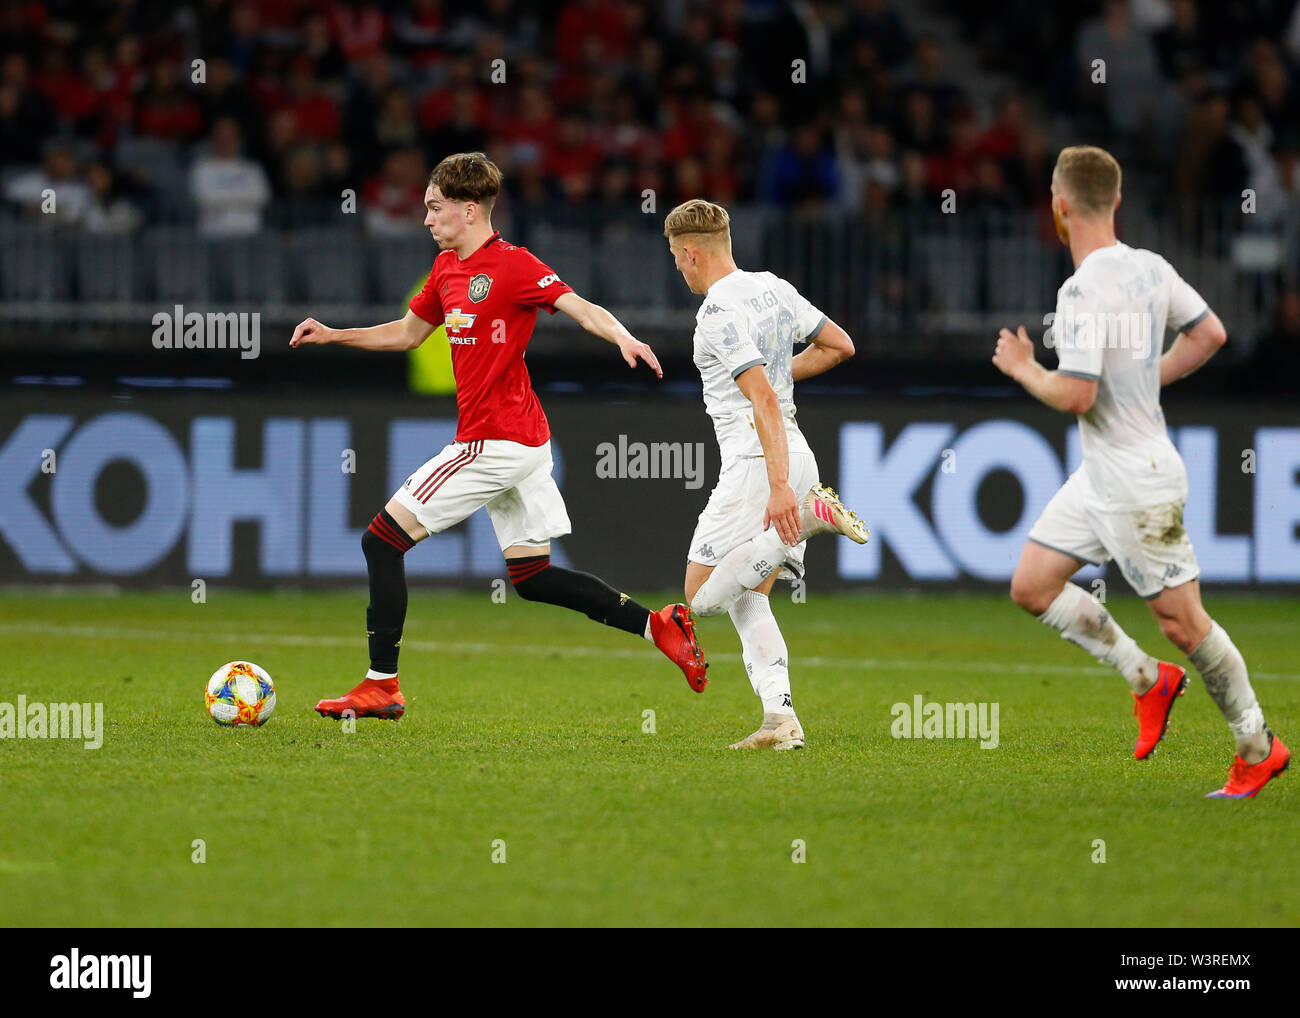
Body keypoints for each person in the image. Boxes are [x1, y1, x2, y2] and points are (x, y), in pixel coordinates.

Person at [291, 151, 707, 720]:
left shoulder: (511, 266)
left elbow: (577, 305)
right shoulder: (444, 271)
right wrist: (335, 335)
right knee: (533, 576)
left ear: (469, 210)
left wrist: (624, 339)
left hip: (495, 441)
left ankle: (381, 685)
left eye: (435, 208)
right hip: (524, 444)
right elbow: (408, 334)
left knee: (381, 541)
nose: (426, 219)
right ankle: (657, 624)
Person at [993, 144, 1288, 798]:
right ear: (1117, 201)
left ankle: (1257, 743)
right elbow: (1210, 333)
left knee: (1186, 624)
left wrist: (1023, 368)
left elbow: (1077, 395)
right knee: (1033, 585)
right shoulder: (1151, 268)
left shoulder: (1079, 291)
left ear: (1059, 205)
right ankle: (1147, 679)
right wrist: (1146, 377)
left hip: (1136, 482)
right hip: (1102, 474)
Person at [664, 199, 867, 750]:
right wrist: (778, 379)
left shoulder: (716, 313)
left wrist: (780, 490)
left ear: (689, 253)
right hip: (797, 454)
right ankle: (781, 721)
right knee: (750, 598)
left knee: (699, 596)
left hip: (760, 463)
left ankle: (809, 519)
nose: (679, 271)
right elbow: (839, 345)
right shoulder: (773, 287)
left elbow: (764, 403)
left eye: (678, 261)